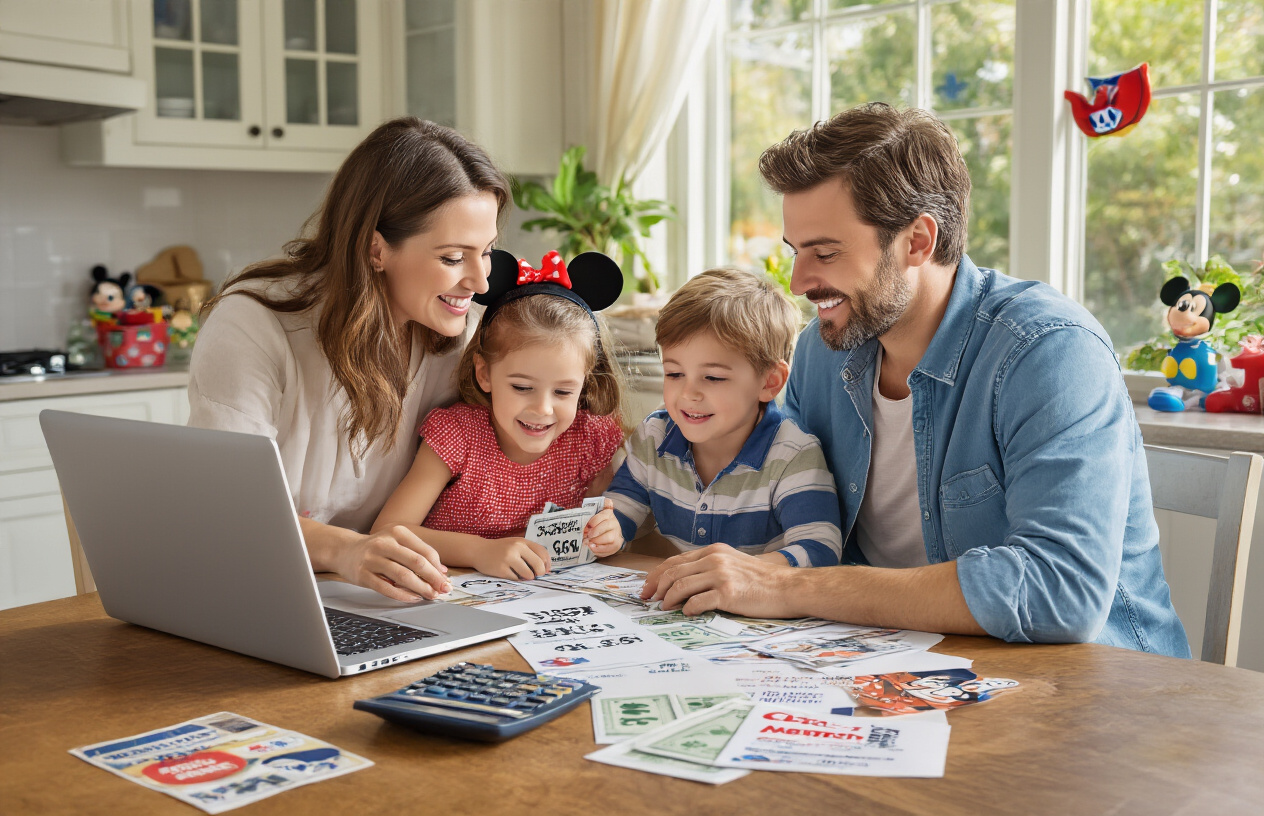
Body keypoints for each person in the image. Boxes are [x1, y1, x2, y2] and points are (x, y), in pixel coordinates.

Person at [642, 103, 1190, 658]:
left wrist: (789, 586)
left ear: (918, 241)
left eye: (825, 252)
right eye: (795, 251)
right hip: (896, 666)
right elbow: (784, 511)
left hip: (1097, 689)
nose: (800, 280)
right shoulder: (821, 353)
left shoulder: (1048, 350)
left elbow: (1060, 592)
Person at [189, 117, 509, 604]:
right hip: (252, 590)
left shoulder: (457, 335)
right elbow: (226, 507)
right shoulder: (253, 324)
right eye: (451, 258)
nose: (480, 281)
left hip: (380, 597)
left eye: (486, 252)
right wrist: (348, 552)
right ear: (375, 248)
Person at [371, 250, 627, 581]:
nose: (543, 409)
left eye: (563, 392)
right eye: (522, 387)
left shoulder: (590, 439)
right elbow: (389, 532)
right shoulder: (457, 435)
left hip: (546, 604)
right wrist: (480, 551)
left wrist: (611, 537)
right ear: (485, 374)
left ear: (585, 384)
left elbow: (598, 529)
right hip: (451, 595)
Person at [601, 268, 843, 568]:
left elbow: (820, 549)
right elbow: (622, 510)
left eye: (713, 378)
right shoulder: (654, 436)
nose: (688, 393)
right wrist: (609, 530)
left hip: (764, 608)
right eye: (674, 373)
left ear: (769, 382)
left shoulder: (793, 454)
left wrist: (739, 573)